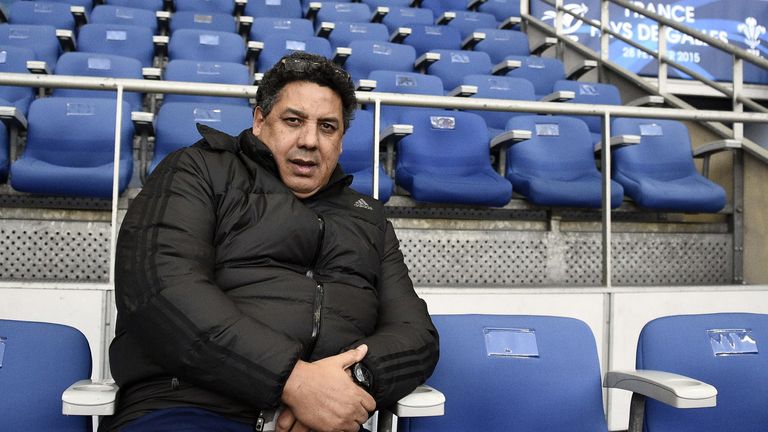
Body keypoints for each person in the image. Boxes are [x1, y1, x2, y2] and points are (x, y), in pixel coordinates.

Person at [100, 51, 439, 432]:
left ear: (341, 141)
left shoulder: (370, 218)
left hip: (325, 421)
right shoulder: (197, 171)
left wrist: (347, 382)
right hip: (189, 406)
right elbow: (160, 290)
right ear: (260, 121)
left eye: (328, 127)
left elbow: (416, 335)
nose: (310, 140)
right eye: (293, 121)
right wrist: (293, 382)